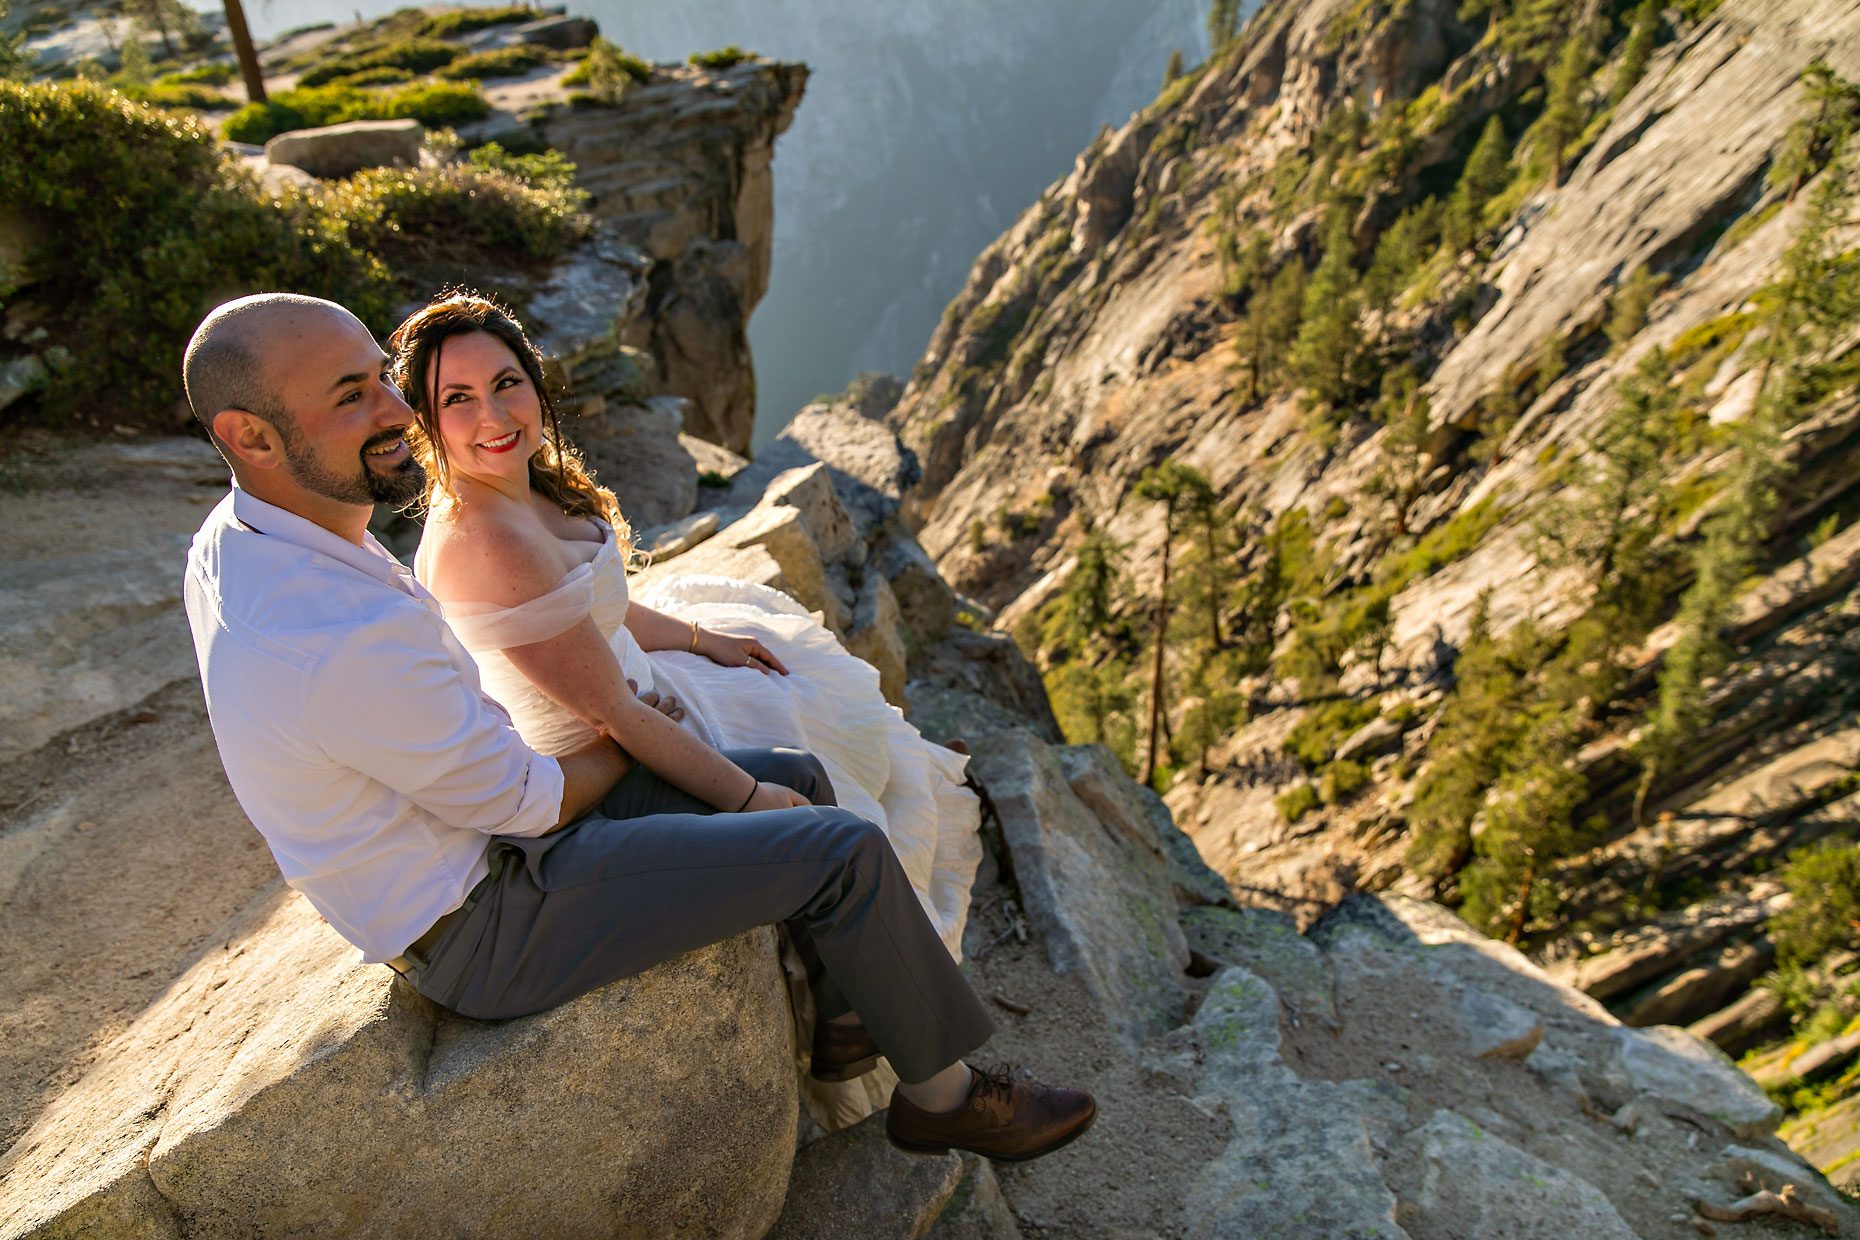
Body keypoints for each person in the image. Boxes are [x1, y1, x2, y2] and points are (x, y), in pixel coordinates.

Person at [179, 291, 1095, 1163]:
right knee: (840, 850)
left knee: (799, 775)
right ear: (249, 436)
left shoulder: (250, 534)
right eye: (353, 396)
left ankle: (852, 1014)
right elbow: (530, 800)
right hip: (485, 913)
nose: (394, 407)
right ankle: (942, 1103)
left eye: (382, 375)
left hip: (483, 830)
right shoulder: (339, 634)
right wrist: (623, 728)